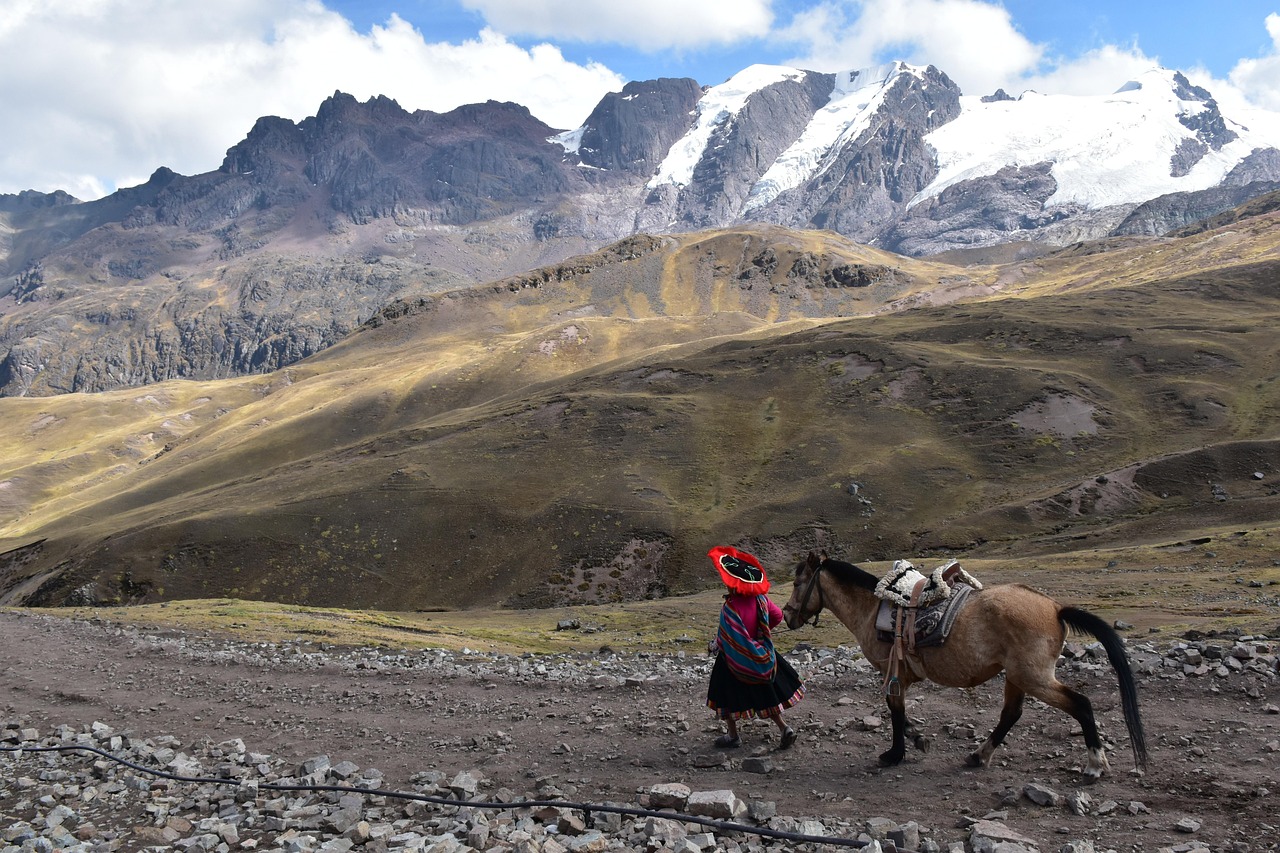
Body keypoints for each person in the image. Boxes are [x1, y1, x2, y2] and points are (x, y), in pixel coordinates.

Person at [705, 545, 805, 749]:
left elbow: (724, 639)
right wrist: (761, 632)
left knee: (725, 695)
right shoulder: (761, 600)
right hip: (761, 655)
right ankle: (784, 728)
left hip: (733, 662)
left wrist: (713, 646)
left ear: (734, 585)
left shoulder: (730, 609)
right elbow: (777, 616)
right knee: (766, 693)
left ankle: (733, 735)